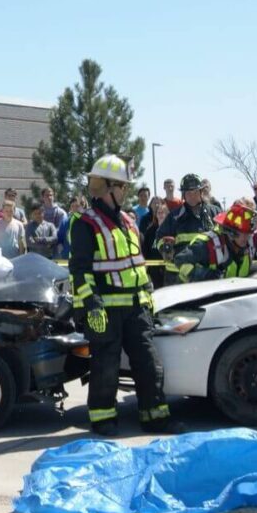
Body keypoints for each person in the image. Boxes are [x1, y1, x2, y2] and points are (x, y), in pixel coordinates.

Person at [69, 154, 180, 436]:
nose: (126, 191)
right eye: (121, 186)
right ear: (106, 187)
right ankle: (103, 419)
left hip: (137, 307)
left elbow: (137, 264)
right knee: (105, 366)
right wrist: (91, 304)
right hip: (105, 309)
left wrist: (148, 294)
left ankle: (155, 417)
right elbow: (80, 270)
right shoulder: (85, 223)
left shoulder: (129, 221)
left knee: (149, 363)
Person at [175, 203, 257, 283]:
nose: (247, 238)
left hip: (233, 298)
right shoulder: (208, 244)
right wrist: (204, 275)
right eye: (242, 233)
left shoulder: (253, 236)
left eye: (249, 233)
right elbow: (181, 261)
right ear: (230, 232)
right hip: (203, 301)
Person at [155, 174, 220, 285]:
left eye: (195, 192)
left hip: (207, 276)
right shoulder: (175, 216)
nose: (192, 196)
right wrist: (164, 249)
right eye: (188, 193)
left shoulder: (215, 213)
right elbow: (159, 237)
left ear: (201, 192)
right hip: (177, 277)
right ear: (183, 195)